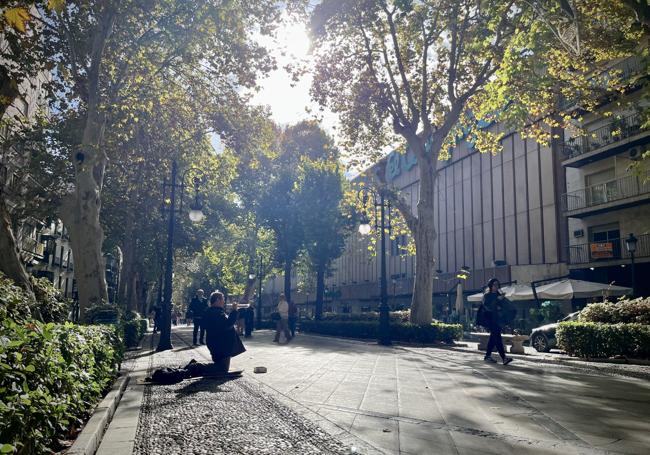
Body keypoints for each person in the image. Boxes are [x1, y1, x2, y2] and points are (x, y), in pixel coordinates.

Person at [201, 290, 246, 373]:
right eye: (223, 299)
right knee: (222, 369)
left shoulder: (212, 311)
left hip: (219, 344)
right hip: (220, 345)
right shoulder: (215, 312)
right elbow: (228, 325)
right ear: (217, 300)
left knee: (221, 367)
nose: (224, 302)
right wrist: (234, 311)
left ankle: (197, 368)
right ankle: (196, 368)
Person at [480, 278, 513, 365]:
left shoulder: (499, 295)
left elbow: (504, 307)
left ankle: (487, 356)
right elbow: (487, 307)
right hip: (491, 320)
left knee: (493, 338)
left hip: (498, 320)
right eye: (494, 284)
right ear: (490, 285)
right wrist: (498, 300)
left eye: (497, 284)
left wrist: (501, 302)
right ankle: (504, 358)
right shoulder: (487, 296)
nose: (496, 286)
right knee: (497, 338)